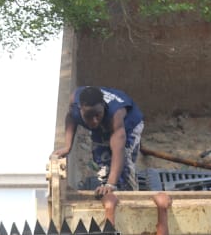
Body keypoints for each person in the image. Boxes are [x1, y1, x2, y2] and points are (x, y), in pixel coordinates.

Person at [52, 86, 146, 225]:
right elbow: (71, 117)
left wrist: (111, 184)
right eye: (88, 117)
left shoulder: (116, 114)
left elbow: (118, 151)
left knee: (124, 166)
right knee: (102, 160)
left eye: (98, 115)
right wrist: (67, 146)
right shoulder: (75, 101)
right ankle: (107, 194)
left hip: (128, 125)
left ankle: (132, 200)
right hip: (105, 125)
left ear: (103, 106)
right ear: (80, 108)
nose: (94, 121)